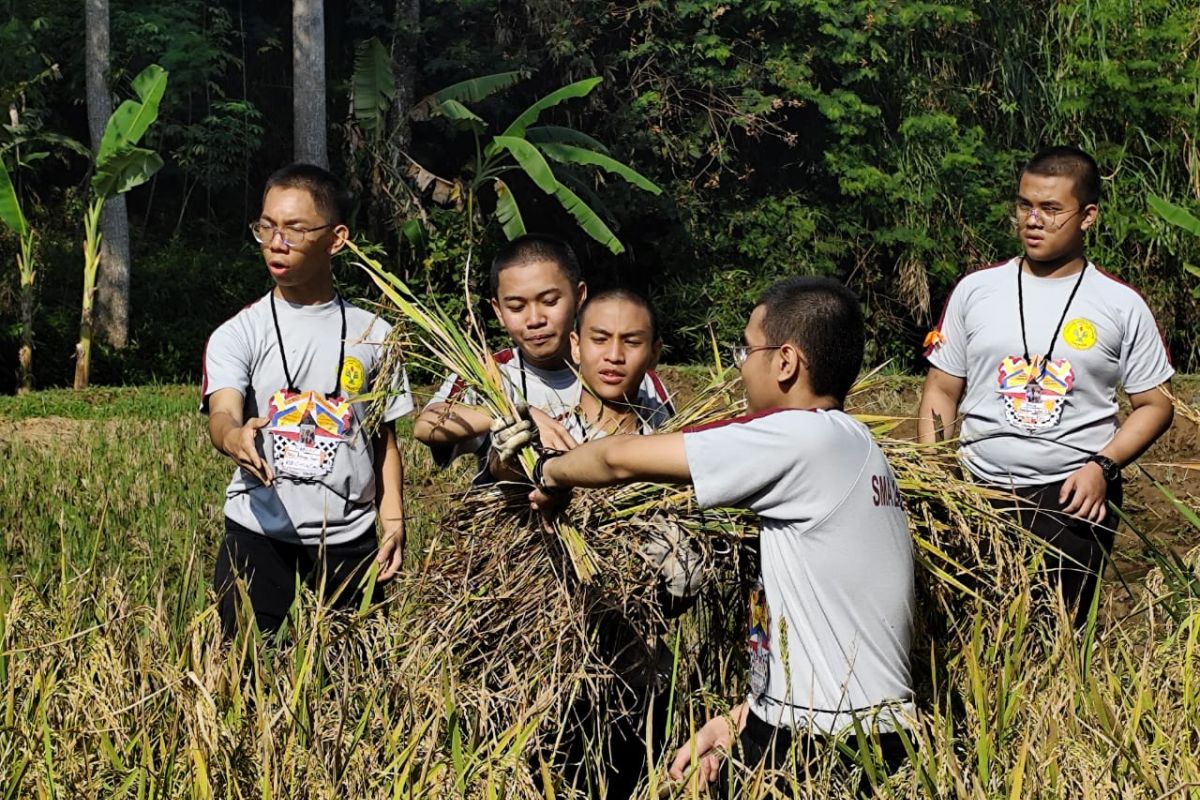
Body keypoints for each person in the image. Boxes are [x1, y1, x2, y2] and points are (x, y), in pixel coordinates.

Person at [522, 277, 916, 792]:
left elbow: (619, 459)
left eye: (747, 349)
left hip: (822, 743)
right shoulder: (855, 445)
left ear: (786, 362)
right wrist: (742, 720)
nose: (741, 365)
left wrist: (549, 473)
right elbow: (823, 631)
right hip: (846, 729)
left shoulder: (798, 437)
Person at [918, 145, 1175, 626]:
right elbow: (941, 389)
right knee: (968, 633)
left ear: (1088, 216)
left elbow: (1155, 405)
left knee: (1059, 637)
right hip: (979, 493)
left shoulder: (1119, 304)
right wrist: (936, 477)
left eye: (1052, 209)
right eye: (1024, 205)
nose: (1033, 220)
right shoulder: (977, 291)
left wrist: (1103, 465)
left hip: (1072, 499)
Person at [201, 163, 413, 637]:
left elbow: (384, 440)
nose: (277, 242)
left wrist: (394, 518)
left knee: (358, 679)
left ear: (336, 239)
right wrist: (234, 436)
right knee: (245, 670)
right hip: (258, 533)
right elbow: (222, 413)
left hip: (349, 537)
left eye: (295, 229)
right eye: (267, 227)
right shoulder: (239, 333)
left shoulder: (375, 336)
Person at [490, 288, 684, 799]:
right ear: (575, 346)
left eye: (631, 341)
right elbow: (505, 464)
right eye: (600, 339)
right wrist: (513, 451)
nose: (614, 355)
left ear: (655, 352)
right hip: (545, 674)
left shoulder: (669, 449)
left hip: (640, 672)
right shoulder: (545, 435)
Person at [413, 235, 672, 481]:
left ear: (579, 296)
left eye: (549, 301)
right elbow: (426, 425)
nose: (535, 320)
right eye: (516, 307)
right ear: (499, 311)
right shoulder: (491, 375)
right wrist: (514, 415)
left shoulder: (631, 376)